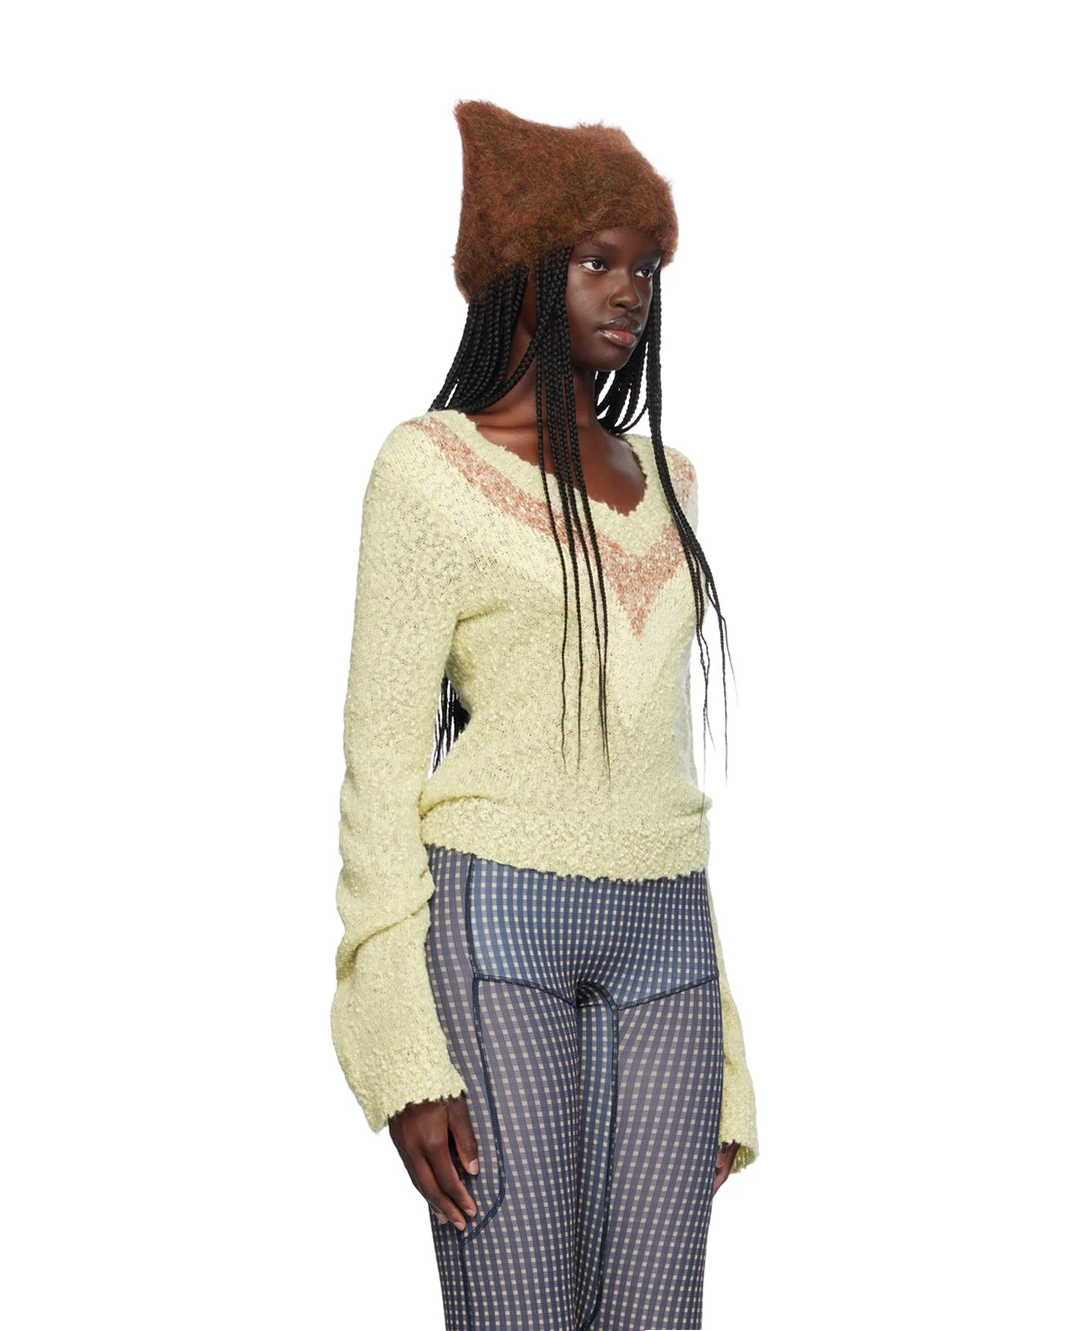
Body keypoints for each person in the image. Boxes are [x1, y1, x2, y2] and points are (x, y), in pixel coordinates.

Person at [331, 99, 759, 1331]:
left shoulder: (672, 483)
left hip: (669, 940)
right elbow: (378, 765)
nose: (629, 294)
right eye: (597, 262)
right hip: (497, 926)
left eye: (646, 269)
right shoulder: (428, 469)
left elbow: (663, 768)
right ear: (523, 269)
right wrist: (399, 1043)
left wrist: (727, 1052)